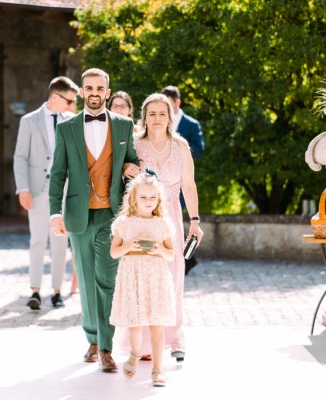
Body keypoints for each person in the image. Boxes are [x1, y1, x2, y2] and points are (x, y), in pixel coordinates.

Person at [49, 68, 139, 373]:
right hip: (78, 213)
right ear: (83, 92)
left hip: (111, 214)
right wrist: (54, 212)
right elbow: (58, 173)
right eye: (89, 88)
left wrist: (131, 166)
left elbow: (135, 163)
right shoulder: (67, 128)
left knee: (107, 280)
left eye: (100, 87)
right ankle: (91, 337)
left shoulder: (124, 126)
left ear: (108, 92)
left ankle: (105, 347)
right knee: (86, 281)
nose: (95, 92)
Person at [130, 93, 204, 362]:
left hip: (172, 217)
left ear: (170, 117)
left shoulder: (181, 146)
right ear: (145, 117)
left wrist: (195, 221)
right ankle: (146, 343)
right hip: (142, 221)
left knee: (173, 280)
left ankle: (175, 339)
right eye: (152, 114)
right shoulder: (136, 146)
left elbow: (189, 185)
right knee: (145, 281)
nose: (157, 118)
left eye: (162, 113)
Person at [13, 76, 79, 310]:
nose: (72, 105)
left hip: (63, 190)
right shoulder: (29, 121)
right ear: (55, 97)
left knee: (60, 241)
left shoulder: (71, 121)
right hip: (38, 189)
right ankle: (35, 291)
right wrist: (22, 189)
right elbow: (20, 157)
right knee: (38, 240)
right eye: (69, 100)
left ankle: (57, 292)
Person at [109, 173, 176, 387]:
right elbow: (114, 252)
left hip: (155, 278)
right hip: (132, 277)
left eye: (152, 198)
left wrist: (159, 250)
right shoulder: (124, 223)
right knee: (135, 322)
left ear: (159, 200)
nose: (148, 202)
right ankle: (135, 353)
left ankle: (157, 369)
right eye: (143, 198)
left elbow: (171, 254)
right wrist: (128, 246)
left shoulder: (162, 224)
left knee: (157, 324)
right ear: (133, 199)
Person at [161, 86, 204, 274]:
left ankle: (183, 259)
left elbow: (200, 149)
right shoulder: (159, 122)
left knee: (175, 220)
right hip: (160, 180)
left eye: (168, 104)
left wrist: (180, 149)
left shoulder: (191, 124)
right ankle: (179, 259)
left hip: (180, 181)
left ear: (177, 102)